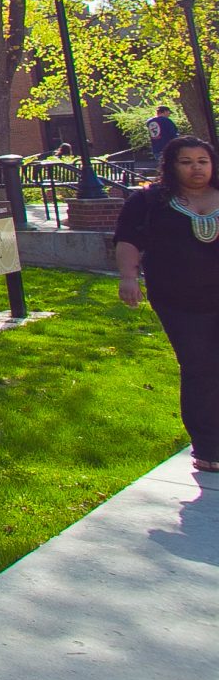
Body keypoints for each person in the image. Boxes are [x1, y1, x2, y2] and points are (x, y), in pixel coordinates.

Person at [114, 135, 219, 476]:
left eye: (202, 161)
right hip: (179, 300)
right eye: (187, 161)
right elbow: (128, 238)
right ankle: (208, 447)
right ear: (171, 165)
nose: (196, 168)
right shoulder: (149, 202)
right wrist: (129, 277)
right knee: (198, 366)